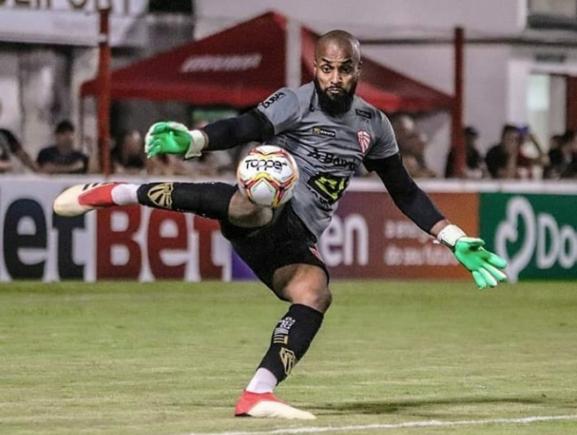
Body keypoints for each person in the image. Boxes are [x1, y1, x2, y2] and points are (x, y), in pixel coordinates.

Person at [53, 30, 507, 420]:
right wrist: (196, 140)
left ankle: (258, 393)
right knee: (258, 204)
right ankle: (112, 193)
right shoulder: (296, 101)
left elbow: (404, 190)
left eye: (343, 69)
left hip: (296, 236)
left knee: (315, 292)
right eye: (326, 68)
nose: (333, 78)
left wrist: (453, 237)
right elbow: (246, 124)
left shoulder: (374, 125)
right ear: (315, 67)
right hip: (264, 208)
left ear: (358, 70)